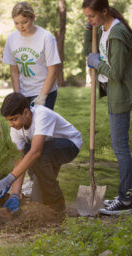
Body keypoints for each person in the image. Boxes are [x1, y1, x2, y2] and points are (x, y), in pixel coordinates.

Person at [0, 92, 82, 213]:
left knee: (36, 155)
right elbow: (19, 161)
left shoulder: (42, 115)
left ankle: (56, 202)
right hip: (47, 149)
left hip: (69, 144)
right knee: (36, 202)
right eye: (8, 120)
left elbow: (36, 152)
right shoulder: (15, 129)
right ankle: (44, 186)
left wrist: (8, 179)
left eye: (14, 119)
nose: (11, 124)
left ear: (26, 113)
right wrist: (15, 195)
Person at [83, 0, 132, 215]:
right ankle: (125, 195)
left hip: (122, 94)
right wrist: (88, 31)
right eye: (86, 17)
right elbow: (90, 54)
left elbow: (116, 73)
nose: (89, 20)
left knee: (120, 147)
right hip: (114, 93)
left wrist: (97, 63)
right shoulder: (103, 29)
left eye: (91, 16)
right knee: (120, 146)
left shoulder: (117, 34)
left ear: (104, 11)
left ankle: (125, 199)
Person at [2, 1, 61, 110]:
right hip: (24, 92)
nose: (20, 27)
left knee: (40, 125)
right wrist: (17, 94)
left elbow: (53, 71)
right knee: (24, 126)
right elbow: (14, 70)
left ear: (33, 18)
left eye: (24, 22)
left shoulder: (46, 37)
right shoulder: (11, 39)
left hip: (44, 90)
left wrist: (42, 96)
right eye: (16, 23)